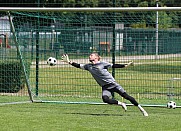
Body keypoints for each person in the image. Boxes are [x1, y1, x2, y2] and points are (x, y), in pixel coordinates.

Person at [61, 53, 148, 116]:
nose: (89, 56)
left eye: (91, 55)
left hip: (113, 84)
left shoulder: (103, 64)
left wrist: (125, 65)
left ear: (96, 57)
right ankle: (121, 103)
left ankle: (142, 110)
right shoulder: (88, 66)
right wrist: (69, 61)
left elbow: (114, 65)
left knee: (127, 97)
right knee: (105, 99)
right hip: (105, 87)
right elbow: (78, 65)